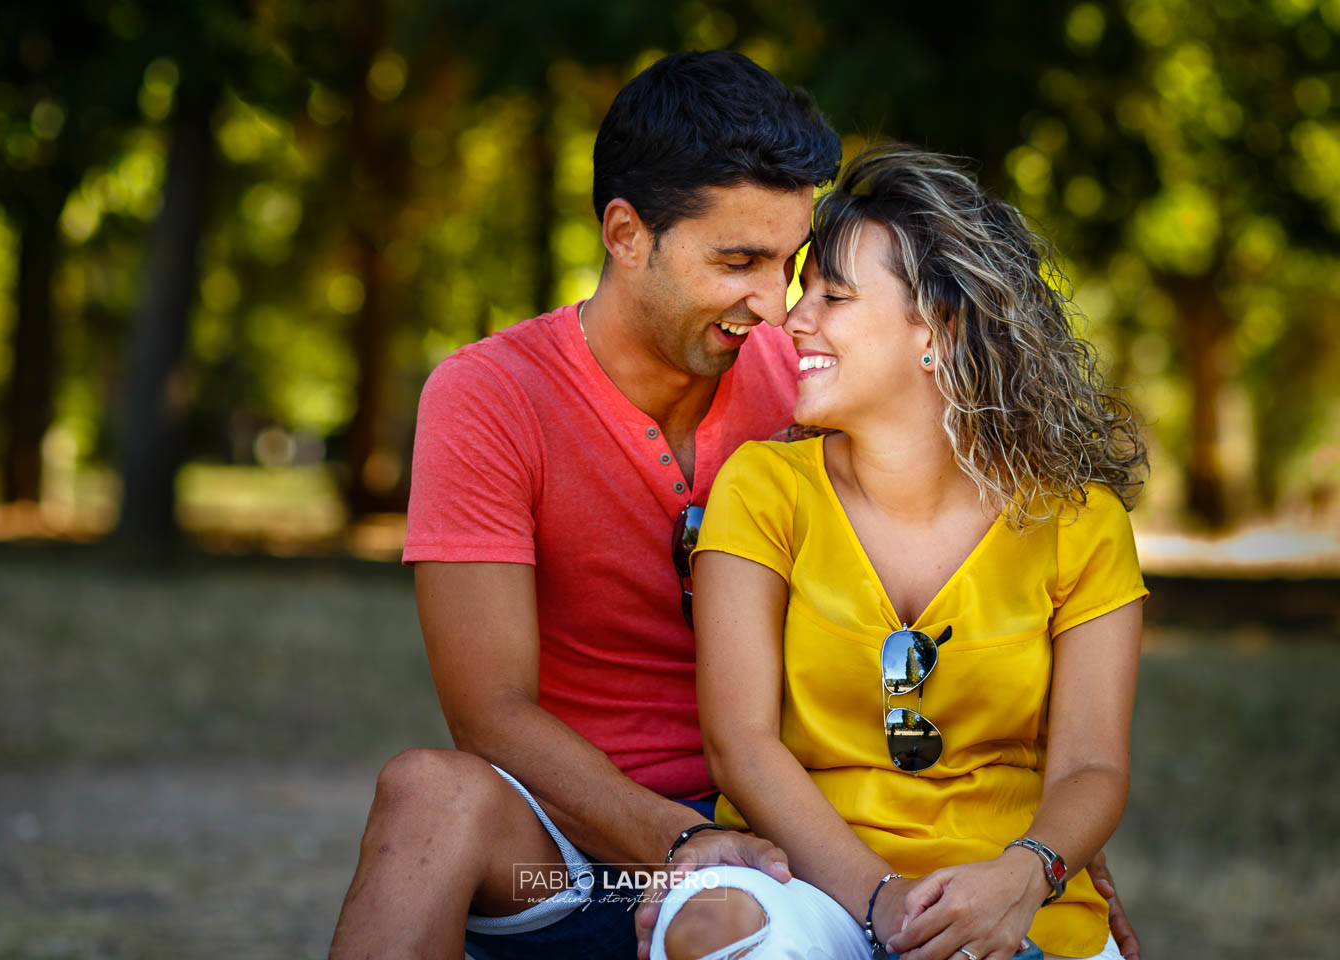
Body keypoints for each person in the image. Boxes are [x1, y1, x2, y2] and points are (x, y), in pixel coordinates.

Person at [329, 51, 1142, 960]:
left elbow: (976, 587)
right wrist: (680, 844)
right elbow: (488, 714)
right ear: (627, 234)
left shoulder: (806, 378)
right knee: (427, 794)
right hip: (593, 851)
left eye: (793, 265)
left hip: (801, 835)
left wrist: (1051, 863)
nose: (775, 303)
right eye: (739, 260)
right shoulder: (489, 395)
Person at [644, 144, 1149, 960]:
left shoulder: (1079, 523)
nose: (790, 317)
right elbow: (740, 744)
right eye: (804, 290)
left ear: (940, 329)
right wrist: (882, 899)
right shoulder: (764, 488)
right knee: (716, 933)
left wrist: (1023, 877)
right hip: (807, 883)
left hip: (1004, 892)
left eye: (832, 296)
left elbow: (1092, 766)